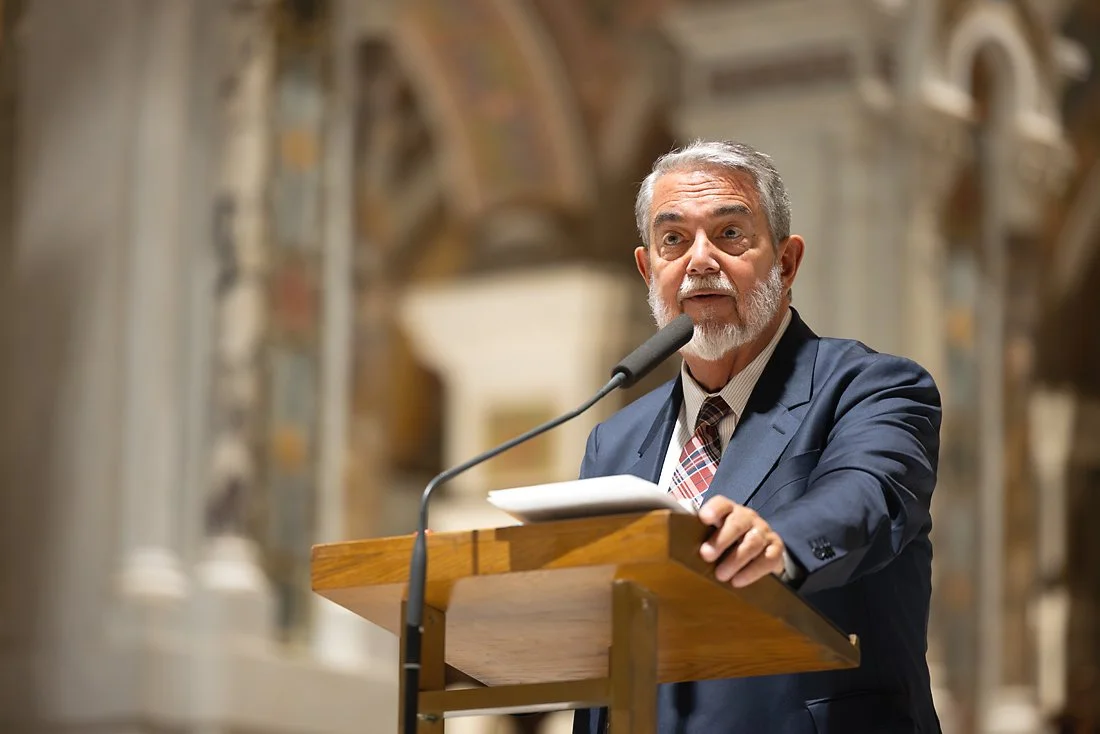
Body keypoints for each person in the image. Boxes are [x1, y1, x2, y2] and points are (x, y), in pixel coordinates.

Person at [571, 140, 942, 734]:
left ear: (787, 262)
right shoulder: (614, 441)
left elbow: (867, 496)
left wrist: (779, 541)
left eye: (730, 234)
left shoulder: (871, 387)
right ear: (648, 270)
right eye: (674, 240)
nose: (698, 260)